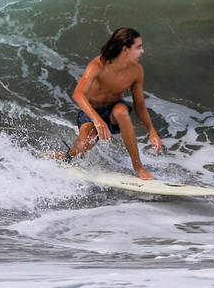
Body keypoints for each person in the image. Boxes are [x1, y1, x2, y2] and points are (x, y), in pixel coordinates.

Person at [62, 27, 163, 179]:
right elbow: (78, 94)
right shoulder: (98, 65)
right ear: (125, 50)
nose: (142, 51)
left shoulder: (136, 71)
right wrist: (97, 120)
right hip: (92, 112)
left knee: (121, 111)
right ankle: (67, 158)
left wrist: (151, 130)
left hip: (114, 112)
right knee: (84, 144)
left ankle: (138, 167)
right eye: (138, 47)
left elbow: (140, 104)